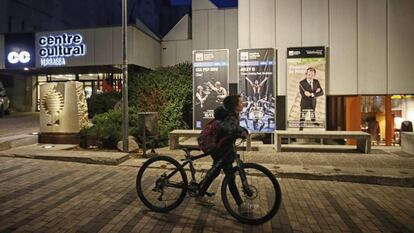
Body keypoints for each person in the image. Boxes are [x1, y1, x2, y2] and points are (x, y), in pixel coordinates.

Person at [196, 95, 253, 214]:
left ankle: (200, 195)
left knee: (215, 171)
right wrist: (241, 131)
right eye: (241, 102)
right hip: (220, 150)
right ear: (235, 105)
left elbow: (230, 129)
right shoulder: (229, 117)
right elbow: (227, 128)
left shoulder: (231, 115)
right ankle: (241, 205)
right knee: (230, 177)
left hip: (223, 149)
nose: (243, 104)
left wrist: (239, 131)